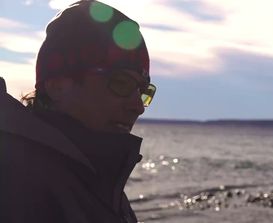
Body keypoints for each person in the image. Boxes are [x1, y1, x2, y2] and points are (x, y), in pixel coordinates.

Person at [0, 0, 156, 222]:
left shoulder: (100, 181)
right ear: (58, 85)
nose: (138, 107)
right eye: (121, 83)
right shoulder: (16, 184)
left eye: (142, 90)